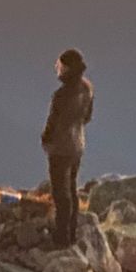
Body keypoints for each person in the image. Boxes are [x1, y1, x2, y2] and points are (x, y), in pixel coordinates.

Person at [40, 48, 94, 247]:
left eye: (60, 66)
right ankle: (72, 232)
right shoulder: (87, 88)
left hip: (60, 148)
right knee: (71, 189)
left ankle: (61, 239)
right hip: (77, 144)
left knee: (60, 194)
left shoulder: (61, 95)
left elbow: (52, 124)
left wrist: (46, 139)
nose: (57, 69)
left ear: (68, 68)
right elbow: (87, 117)